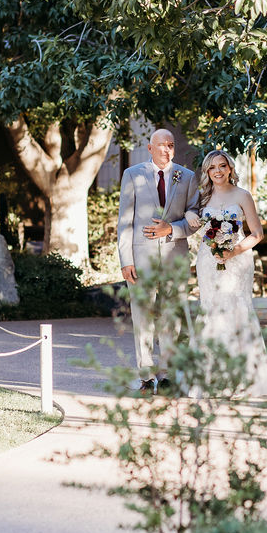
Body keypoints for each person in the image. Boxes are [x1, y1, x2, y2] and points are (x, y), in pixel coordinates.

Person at [185, 149, 267, 397]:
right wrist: (190, 214)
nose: (218, 171)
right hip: (208, 261)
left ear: (230, 168)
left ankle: (244, 379)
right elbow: (188, 214)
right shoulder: (201, 197)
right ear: (207, 172)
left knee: (236, 310)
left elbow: (257, 233)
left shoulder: (243, 195)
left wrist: (234, 251)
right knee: (211, 310)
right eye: (212, 168)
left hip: (238, 260)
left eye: (222, 166)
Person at [117, 129, 200, 393]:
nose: (166, 150)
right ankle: (145, 376)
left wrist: (172, 229)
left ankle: (166, 375)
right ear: (149, 148)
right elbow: (124, 222)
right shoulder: (132, 175)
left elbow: (195, 216)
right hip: (140, 259)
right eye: (161, 145)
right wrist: (125, 259)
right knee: (142, 317)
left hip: (175, 258)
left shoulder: (186, 177)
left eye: (171, 145)